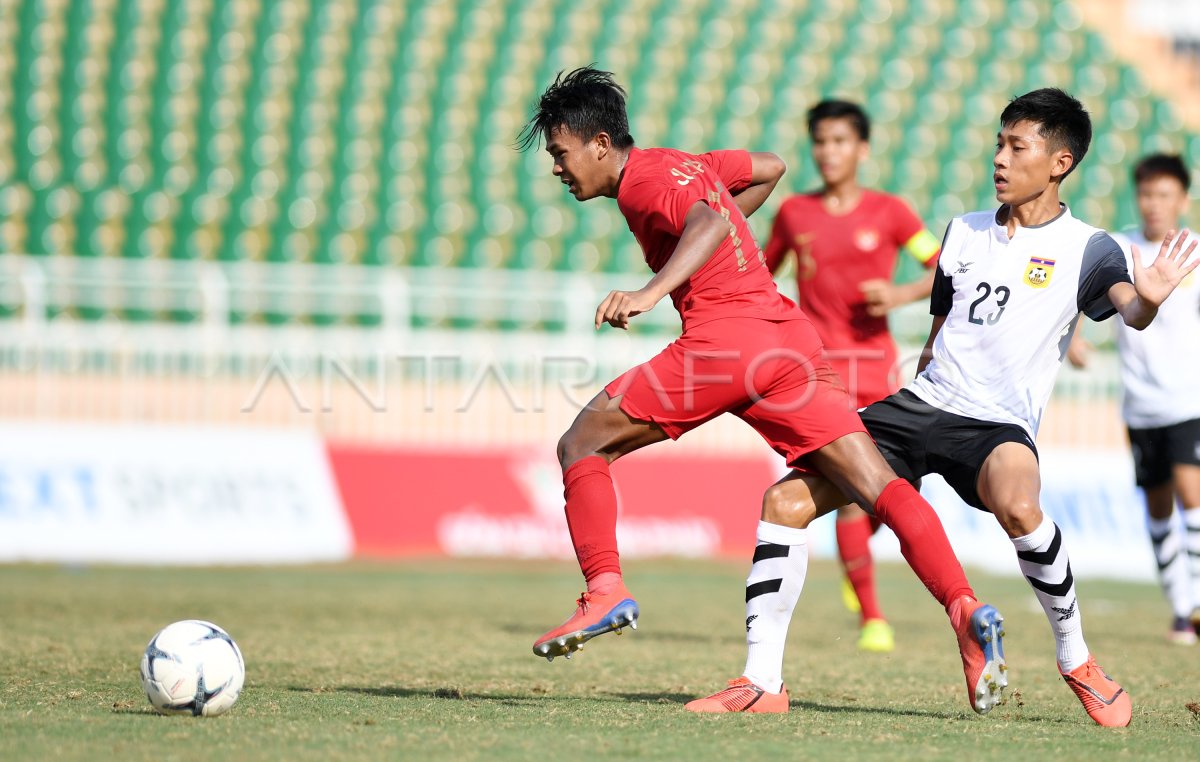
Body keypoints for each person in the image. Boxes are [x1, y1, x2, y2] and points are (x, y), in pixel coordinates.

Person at [697, 87, 1199, 727]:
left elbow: (1131, 309)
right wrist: (920, 376)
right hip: (918, 405)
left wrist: (1150, 298)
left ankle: (1077, 660)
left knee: (1020, 506)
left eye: (1018, 147)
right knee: (784, 502)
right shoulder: (963, 230)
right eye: (998, 143)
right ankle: (761, 681)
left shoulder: (1091, 248)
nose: (999, 159)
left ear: (1060, 162)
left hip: (997, 424)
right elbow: (941, 329)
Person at [517, 66, 1008, 716]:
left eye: (560, 152)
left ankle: (603, 589)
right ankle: (963, 611)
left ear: (599, 142)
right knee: (876, 485)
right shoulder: (688, 164)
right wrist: (724, 223)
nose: (557, 166)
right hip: (785, 339)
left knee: (582, 443)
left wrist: (651, 290)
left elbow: (709, 225)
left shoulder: (644, 184)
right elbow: (769, 168)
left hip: (725, 343)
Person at [762, 100, 943, 653]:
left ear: (861, 149)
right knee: (846, 494)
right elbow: (762, 278)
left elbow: (941, 267)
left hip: (878, 371)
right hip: (817, 376)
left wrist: (900, 294)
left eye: (840, 141)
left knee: (895, 487)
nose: (828, 152)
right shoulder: (794, 214)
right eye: (820, 141)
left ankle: (854, 558)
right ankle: (872, 617)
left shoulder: (891, 213)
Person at [1069, 153, 1200, 645]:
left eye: (1165, 195)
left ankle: (1195, 605)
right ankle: (1181, 609)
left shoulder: (1194, 253)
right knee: (1159, 509)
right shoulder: (1121, 248)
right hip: (1139, 404)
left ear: (1182, 200)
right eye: (1147, 194)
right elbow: (1083, 288)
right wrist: (1076, 339)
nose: (1154, 204)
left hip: (1189, 400)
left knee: (1193, 498)